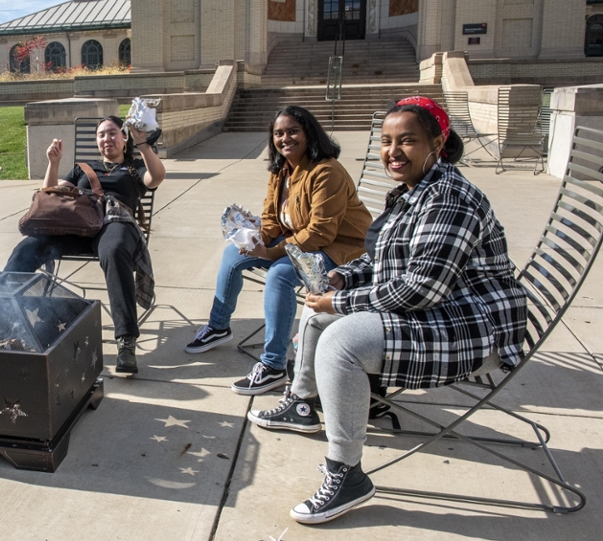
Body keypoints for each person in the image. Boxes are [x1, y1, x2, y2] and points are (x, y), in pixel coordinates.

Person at [248, 97, 528, 525]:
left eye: (408, 141)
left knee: (340, 339)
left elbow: (421, 289)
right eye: (386, 141)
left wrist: (338, 300)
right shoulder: (414, 191)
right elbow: (381, 260)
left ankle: (347, 474)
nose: (393, 151)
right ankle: (302, 403)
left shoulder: (448, 200)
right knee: (319, 311)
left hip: (470, 328)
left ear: (438, 143)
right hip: (442, 312)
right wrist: (342, 278)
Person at [185, 106, 372, 395]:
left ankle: (273, 366)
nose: (285, 138)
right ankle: (218, 326)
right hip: (299, 239)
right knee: (232, 255)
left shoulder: (326, 171)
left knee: (280, 275)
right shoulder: (281, 169)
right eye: (278, 133)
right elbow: (271, 216)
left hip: (340, 249)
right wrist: (257, 240)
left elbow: (322, 232)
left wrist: (272, 253)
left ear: (309, 133)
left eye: (293, 131)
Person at [4, 116, 166, 374]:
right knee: (27, 248)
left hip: (114, 224)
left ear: (124, 138)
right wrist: (53, 163)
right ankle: (3, 315)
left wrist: (144, 144)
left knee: (114, 251)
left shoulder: (135, 167)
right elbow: (50, 196)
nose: (107, 138)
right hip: (76, 227)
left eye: (113, 133)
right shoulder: (82, 168)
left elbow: (156, 178)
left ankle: (126, 341)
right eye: (101, 134)